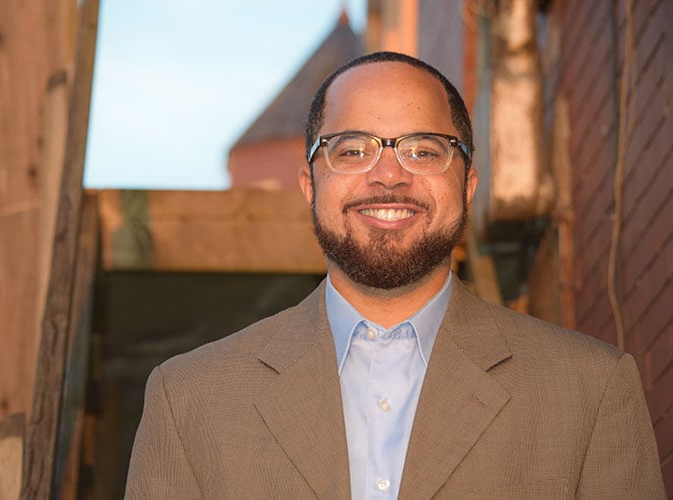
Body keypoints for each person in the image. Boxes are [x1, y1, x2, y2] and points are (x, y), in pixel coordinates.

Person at [125, 51, 666, 499]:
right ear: (310, 187)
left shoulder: (591, 391)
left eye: (424, 150)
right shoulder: (189, 398)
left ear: (468, 186)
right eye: (352, 149)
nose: (388, 175)